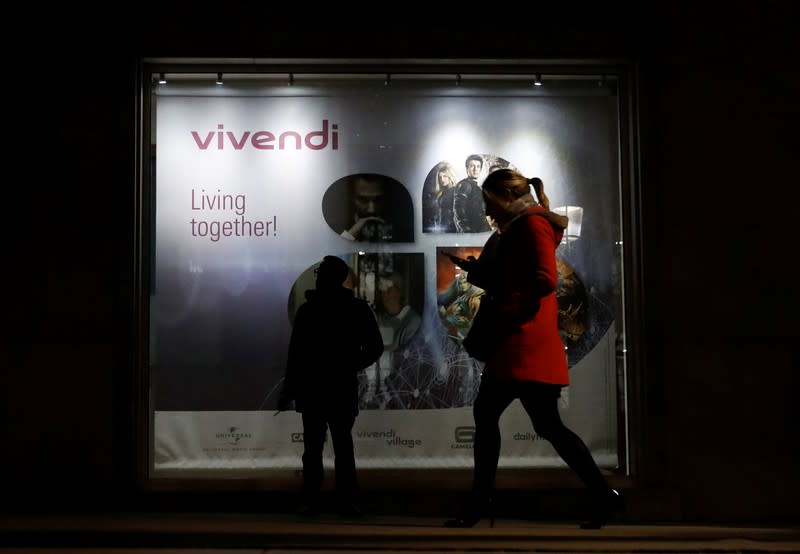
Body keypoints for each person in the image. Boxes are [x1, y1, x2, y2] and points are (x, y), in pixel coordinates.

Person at [443, 170, 622, 529]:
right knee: (540, 424)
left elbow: (544, 279)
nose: (484, 206)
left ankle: (481, 502)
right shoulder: (523, 226)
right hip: (521, 341)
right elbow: (525, 277)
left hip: (523, 340)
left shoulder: (531, 226)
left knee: (514, 420)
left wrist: (504, 297)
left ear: (505, 196)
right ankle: (600, 496)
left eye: (488, 199)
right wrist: (482, 275)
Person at [279, 255, 384, 517]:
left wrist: (288, 390)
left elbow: (296, 355)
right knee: (342, 447)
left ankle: (312, 501)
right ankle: (346, 502)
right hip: (341, 386)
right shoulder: (357, 308)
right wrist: (350, 364)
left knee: (312, 449)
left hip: (313, 388)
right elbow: (375, 348)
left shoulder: (308, 310)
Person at [333, 174, 414, 242]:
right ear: (352, 198)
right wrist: (350, 235)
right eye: (363, 200)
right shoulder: (337, 229)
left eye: (377, 200)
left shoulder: (401, 229)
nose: (371, 210)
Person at [453, 154, 491, 233]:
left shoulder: (477, 187)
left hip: (481, 229)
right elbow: (458, 209)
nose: (475, 169)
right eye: (472, 166)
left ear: (480, 169)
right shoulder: (465, 185)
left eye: (478, 166)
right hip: (472, 231)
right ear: (467, 168)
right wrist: (466, 230)